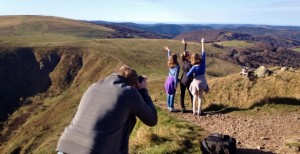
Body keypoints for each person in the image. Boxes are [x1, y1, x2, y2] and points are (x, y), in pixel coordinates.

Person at [56, 66, 157, 154]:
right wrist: (143, 90)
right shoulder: (129, 92)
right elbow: (152, 119)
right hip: (94, 150)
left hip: (65, 145)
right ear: (135, 85)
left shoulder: (93, 87)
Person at [187, 38, 209, 116]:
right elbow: (203, 52)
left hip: (196, 82)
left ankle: (194, 111)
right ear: (199, 57)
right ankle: (199, 111)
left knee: (195, 96)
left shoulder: (194, 67)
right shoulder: (203, 62)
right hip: (202, 81)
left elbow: (187, 74)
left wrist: (193, 75)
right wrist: (202, 42)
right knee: (200, 97)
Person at [164, 46, 180, 112]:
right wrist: (176, 85)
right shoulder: (177, 66)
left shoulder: (170, 63)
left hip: (168, 80)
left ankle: (168, 106)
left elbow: (169, 57)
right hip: (172, 81)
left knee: (168, 93)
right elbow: (176, 76)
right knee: (172, 94)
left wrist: (168, 50)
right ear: (176, 59)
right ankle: (171, 107)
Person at [179, 39, 193, 113]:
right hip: (188, 80)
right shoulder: (190, 63)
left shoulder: (183, 62)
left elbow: (183, 55)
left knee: (182, 94)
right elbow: (191, 73)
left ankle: (183, 108)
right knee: (191, 94)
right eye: (189, 54)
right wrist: (193, 79)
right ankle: (194, 107)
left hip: (182, 80)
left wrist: (185, 45)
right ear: (188, 56)